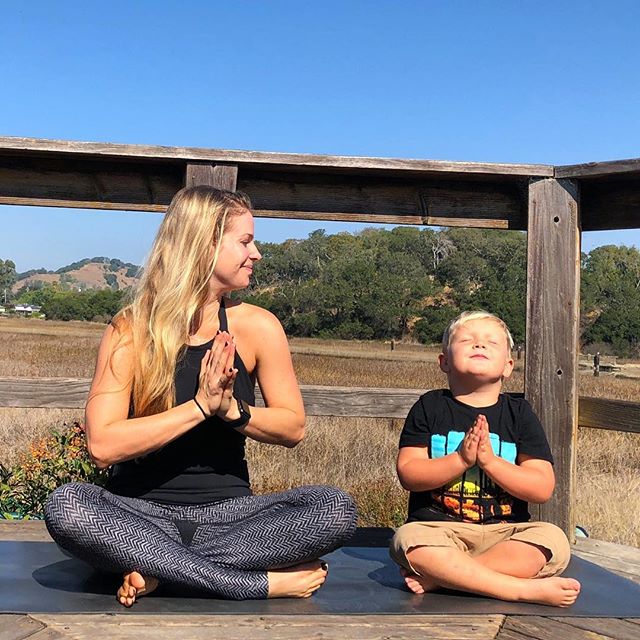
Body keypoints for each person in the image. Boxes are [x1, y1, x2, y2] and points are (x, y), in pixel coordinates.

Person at [44, 186, 357, 606]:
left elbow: (293, 426)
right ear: (203, 245)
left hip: (230, 521)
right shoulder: (131, 330)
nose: (257, 253)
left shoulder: (259, 326)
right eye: (245, 241)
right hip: (138, 517)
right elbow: (102, 445)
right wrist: (198, 408)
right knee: (67, 505)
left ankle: (157, 570)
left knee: (335, 508)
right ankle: (246, 583)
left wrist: (230, 409)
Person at [389, 310, 580, 607]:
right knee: (408, 540)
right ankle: (516, 589)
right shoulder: (429, 406)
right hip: (440, 531)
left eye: (491, 342)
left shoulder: (520, 414)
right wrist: (461, 461)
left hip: (504, 534)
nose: (479, 345)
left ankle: (445, 578)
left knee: (552, 539)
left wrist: (491, 462)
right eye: (467, 340)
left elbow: (541, 488)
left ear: (508, 366)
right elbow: (409, 473)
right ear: (444, 362)